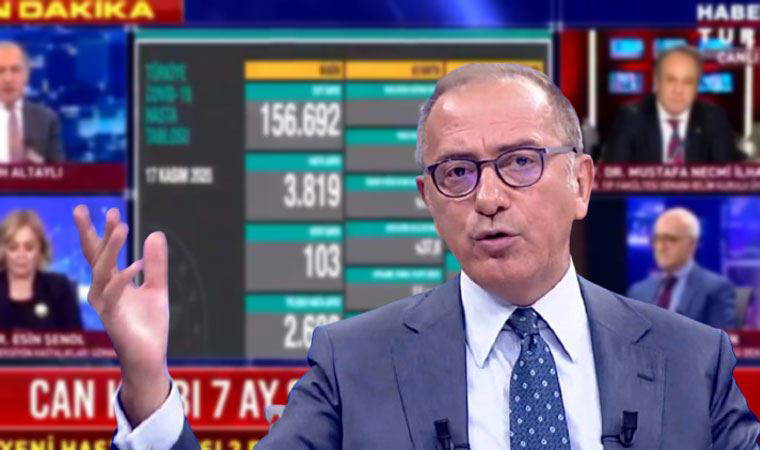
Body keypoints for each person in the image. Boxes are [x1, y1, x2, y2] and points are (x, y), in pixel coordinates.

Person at [74, 63, 759, 449]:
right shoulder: (351, 364)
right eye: (457, 172)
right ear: (428, 199)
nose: (487, 197)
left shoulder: (691, 361)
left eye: (520, 162)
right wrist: (147, 382)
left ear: (580, 183)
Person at [602, 45, 745, 163]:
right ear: (656, 82)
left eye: (687, 82)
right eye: (671, 80)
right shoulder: (631, 118)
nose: (678, 90)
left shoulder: (714, 119)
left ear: (697, 87)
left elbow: (727, 178)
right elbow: (614, 179)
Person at [627, 207, 736, 329]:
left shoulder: (716, 288)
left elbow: (723, 339)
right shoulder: (638, 291)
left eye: (670, 239)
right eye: (657, 239)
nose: (661, 247)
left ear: (692, 244)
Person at [0, 210, 81, 329]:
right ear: (3, 251)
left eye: (29, 248)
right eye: (13, 248)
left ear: (40, 250)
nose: (21, 255)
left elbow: (76, 338)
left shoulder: (59, 288)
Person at [0, 41, 63, 164]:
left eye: (15, 70)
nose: (8, 79)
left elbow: (59, 171)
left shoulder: (47, 119)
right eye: (0, 71)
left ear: (26, 75)